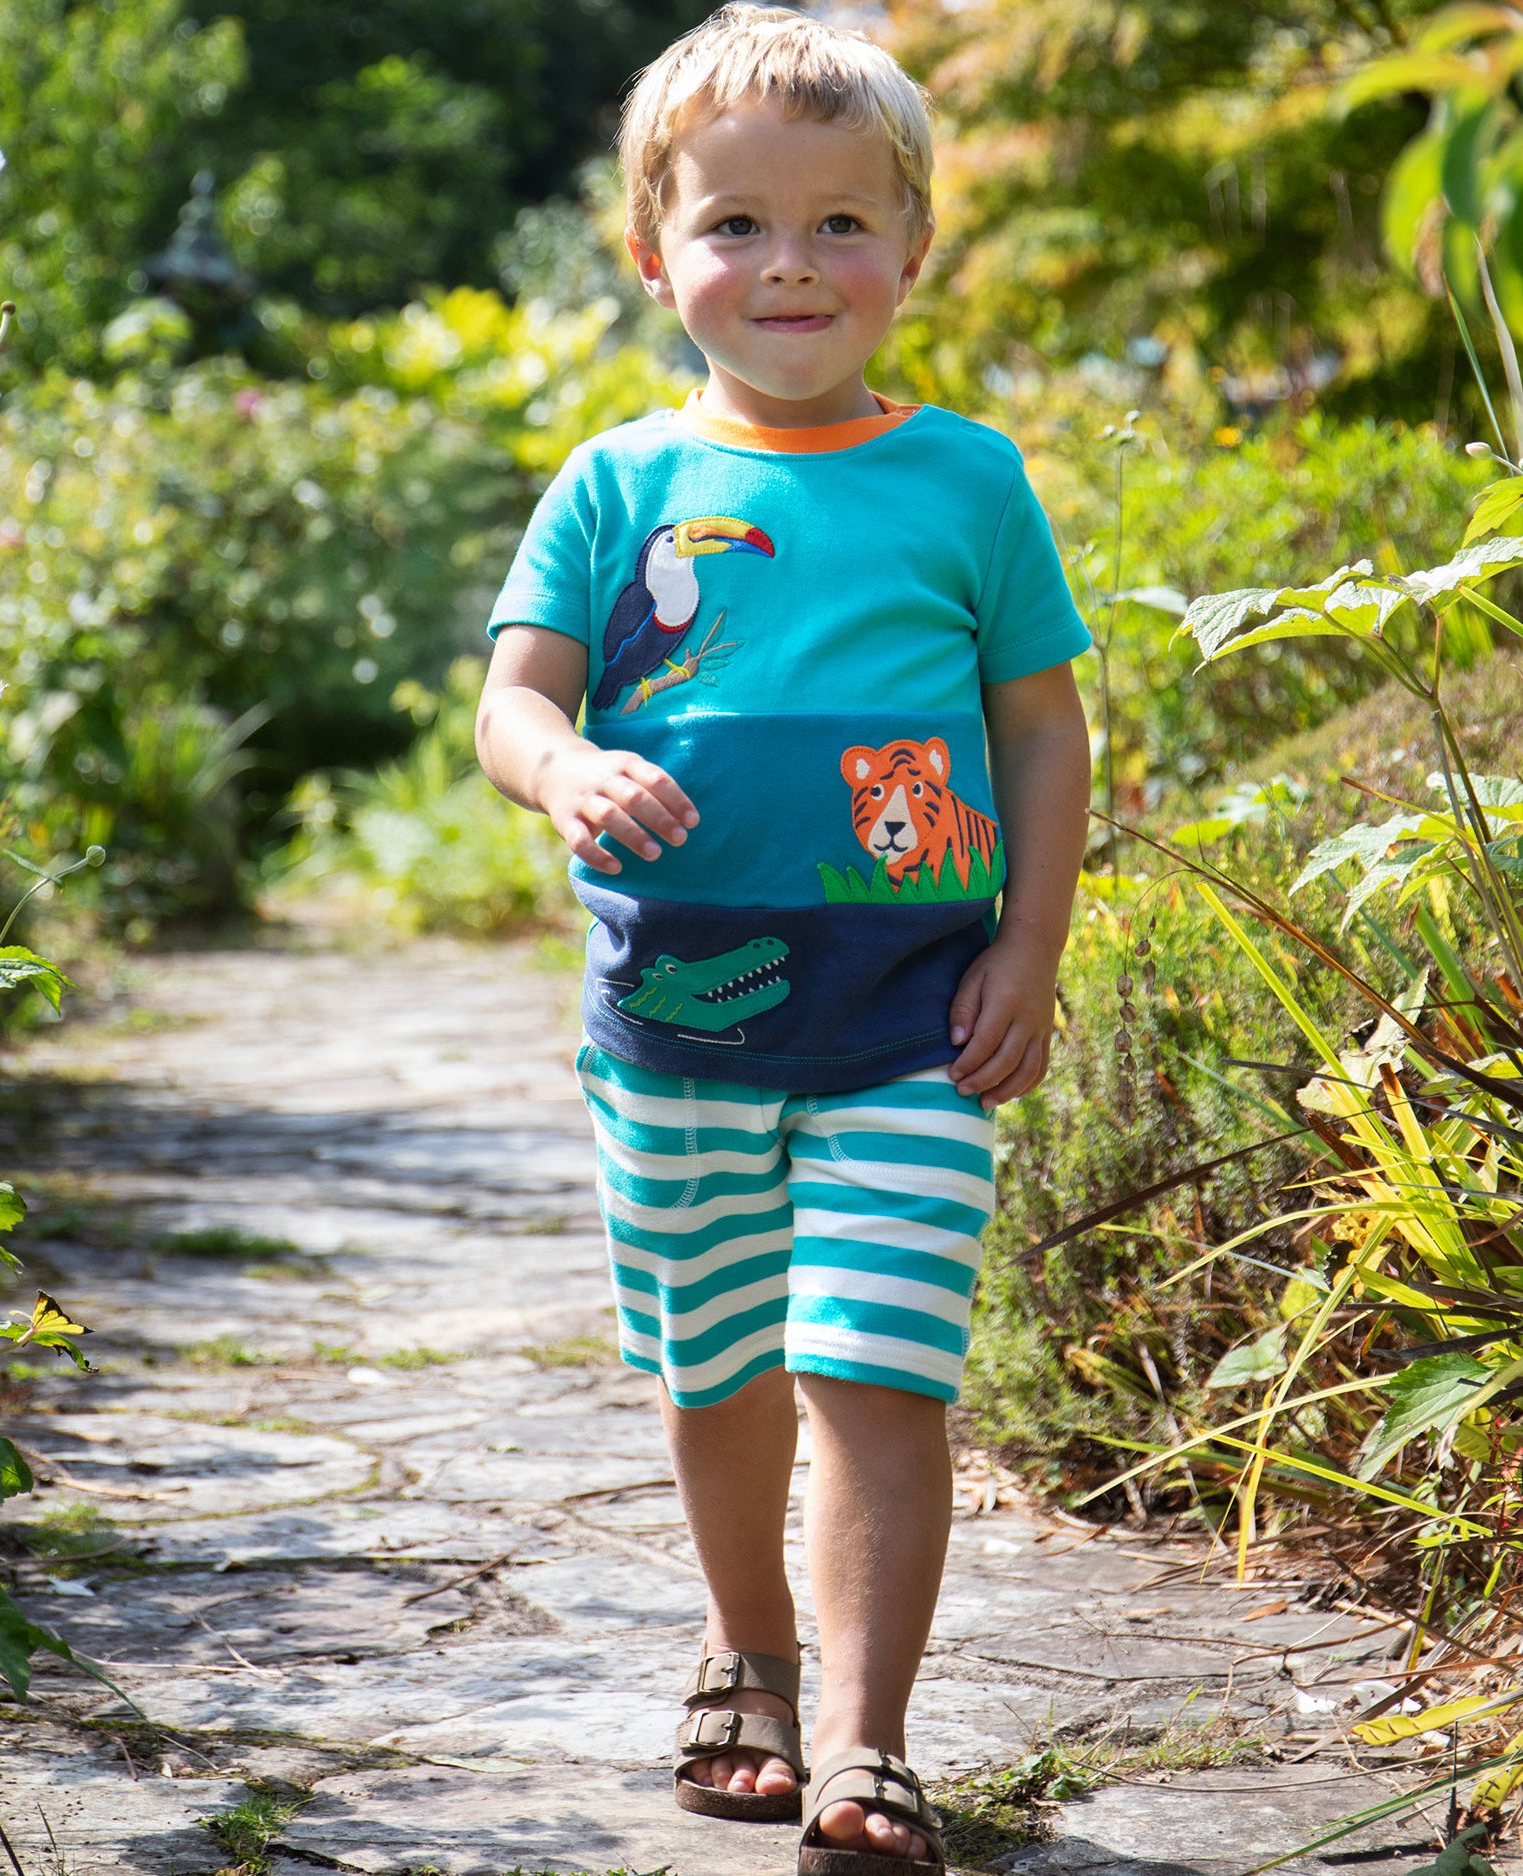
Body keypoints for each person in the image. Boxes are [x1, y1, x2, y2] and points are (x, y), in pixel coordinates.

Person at [475, 8, 1091, 1870]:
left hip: (914, 1011)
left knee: (878, 1363)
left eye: (840, 224)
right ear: (656, 253)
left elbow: (1044, 727)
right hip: (673, 1018)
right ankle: (746, 1649)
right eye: (737, 224)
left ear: (913, 249)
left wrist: (1033, 952)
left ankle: (862, 1742)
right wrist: (569, 768)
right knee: (719, 1360)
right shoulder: (613, 484)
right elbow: (512, 704)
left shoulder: (967, 480)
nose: (790, 264)